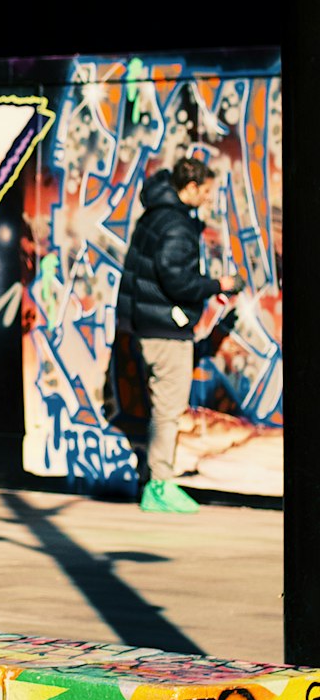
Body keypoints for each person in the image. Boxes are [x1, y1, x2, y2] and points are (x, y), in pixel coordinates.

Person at [116, 154, 244, 514]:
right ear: (189, 188)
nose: (208, 198)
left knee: (162, 406)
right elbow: (177, 279)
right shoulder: (176, 225)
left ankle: (157, 481)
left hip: (148, 326)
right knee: (168, 409)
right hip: (166, 331)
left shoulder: (155, 214)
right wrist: (221, 283)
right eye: (205, 191)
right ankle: (159, 484)